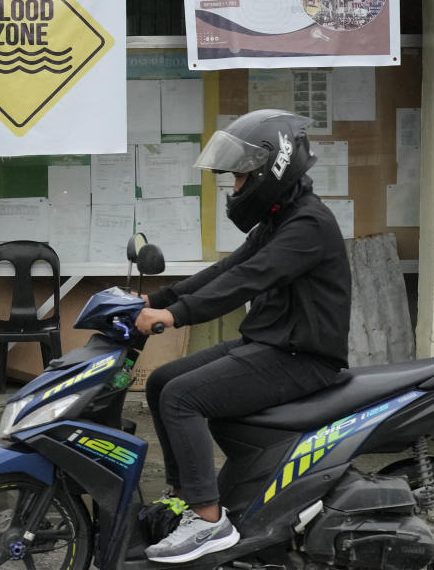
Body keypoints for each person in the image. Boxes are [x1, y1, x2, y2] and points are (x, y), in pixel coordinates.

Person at [134, 109, 352, 564]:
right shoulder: (280, 219)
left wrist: (173, 317)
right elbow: (225, 269)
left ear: (273, 169)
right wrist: (156, 299)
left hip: (301, 359)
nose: (234, 188)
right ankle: (182, 497)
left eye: (238, 178)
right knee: (160, 382)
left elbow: (247, 281)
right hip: (270, 346)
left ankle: (209, 520)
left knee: (181, 398)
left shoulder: (308, 225)